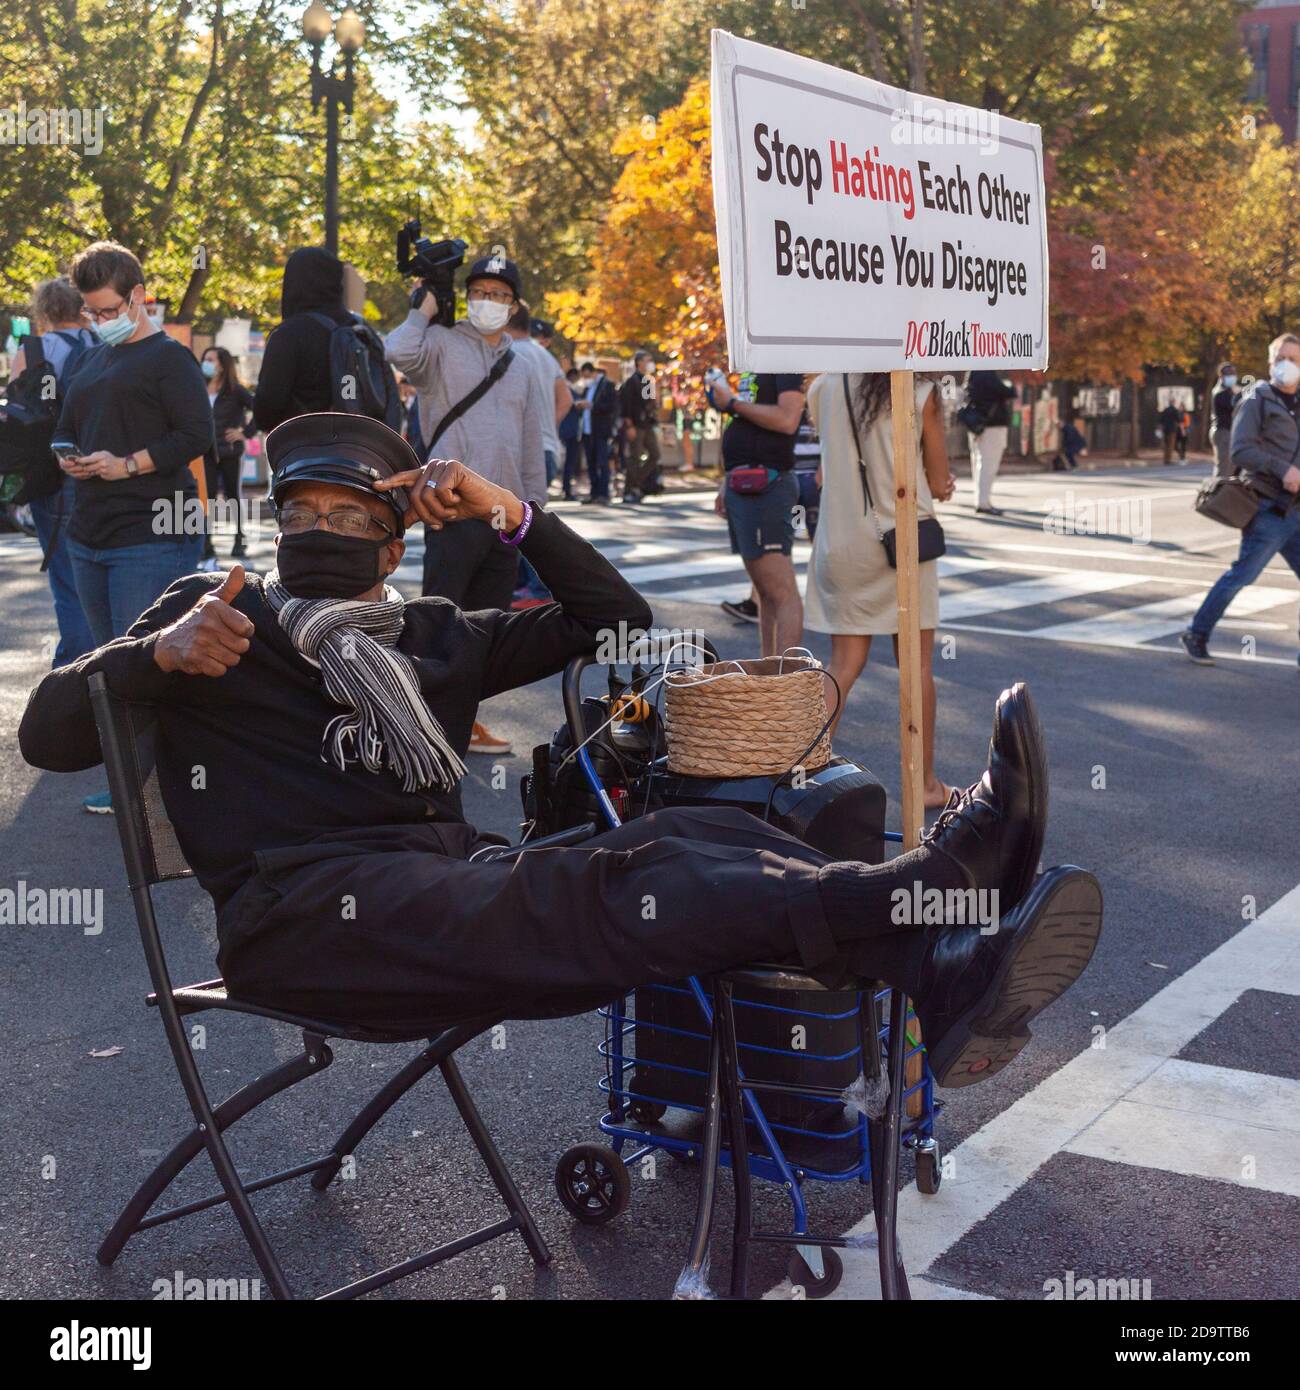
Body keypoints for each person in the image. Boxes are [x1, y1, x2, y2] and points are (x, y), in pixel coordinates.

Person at [18, 411, 1102, 1093]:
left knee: (699, 825)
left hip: (438, 886)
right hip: (305, 922)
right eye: (297, 506)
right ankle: (937, 887)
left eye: (347, 515)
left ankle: (935, 960)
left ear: (393, 544)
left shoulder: (436, 632)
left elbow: (613, 619)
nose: (315, 528)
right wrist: (149, 656)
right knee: (603, 890)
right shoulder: (216, 613)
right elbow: (48, 734)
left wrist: (511, 514)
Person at [57, 241, 212, 812]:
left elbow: (196, 434)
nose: (97, 322)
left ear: (139, 298)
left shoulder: (170, 359)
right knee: (112, 663)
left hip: (151, 534)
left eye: (107, 310)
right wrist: (65, 456)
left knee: (151, 664)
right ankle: (133, 781)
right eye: (90, 312)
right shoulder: (90, 359)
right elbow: (65, 425)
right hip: (89, 532)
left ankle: (162, 789)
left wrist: (127, 464)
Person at [385, 253, 547, 756]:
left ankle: (466, 722)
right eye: (480, 292)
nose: (489, 302)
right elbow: (395, 349)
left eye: (500, 295)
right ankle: (422, 722)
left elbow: (528, 445)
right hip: (450, 508)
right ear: (468, 296)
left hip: (502, 515)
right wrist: (424, 309)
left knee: (486, 626)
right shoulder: (440, 344)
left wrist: (535, 516)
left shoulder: (520, 365)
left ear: (514, 305)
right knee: (440, 620)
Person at [805, 371, 956, 810]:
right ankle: (924, 784)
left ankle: (801, 770)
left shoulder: (822, 387)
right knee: (917, 665)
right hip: (901, 542)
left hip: (842, 542)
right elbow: (939, 475)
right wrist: (943, 484)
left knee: (844, 663)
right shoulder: (918, 390)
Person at [1181, 334, 1300, 665]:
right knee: (1243, 575)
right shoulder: (1257, 398)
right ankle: (1197, 633)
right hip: (1268, 508)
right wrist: (1282, 470)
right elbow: (1240, 450)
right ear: (1270, 362)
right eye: (1281, 358)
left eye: (1294, 358)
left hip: (1297, 508)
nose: (1287, 365)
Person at [5, 276, 95, 666]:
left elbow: (18, 413)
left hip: (49, 474)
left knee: (65, 579)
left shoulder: (34, 349)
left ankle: (75, 668)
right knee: (95, 573)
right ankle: (104, 663)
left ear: (44, 309)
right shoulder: (104, 344)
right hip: (100, 470)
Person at [710, 370, 806, 657]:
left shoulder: (786, 360)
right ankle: (770, 672)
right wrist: (727, 480)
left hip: (768, 485)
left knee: (781, 591)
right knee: (765, 591)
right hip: (746, 482)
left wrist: (732, 403)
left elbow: (787, 419)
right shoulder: (758, 362)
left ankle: (785, 680)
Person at [253, 248, 355, 433]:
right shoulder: (358, 329)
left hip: (306, 449)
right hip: (361, 449)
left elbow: (266, 407)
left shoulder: (289, 335)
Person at [199, 347, 256, 563]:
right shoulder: (199, 388)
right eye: (205, 359)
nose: (206, 362)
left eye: (211, 359)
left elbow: (259, 409)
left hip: (230, 452)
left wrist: (244, 433)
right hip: (206, 452)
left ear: (222, 364)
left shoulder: (235, 390)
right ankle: (206, 544)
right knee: (207, 498)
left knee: (233, 495)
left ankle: (240, 539)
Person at [965, 370, 1016, 515]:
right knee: (988, 466)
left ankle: (981, 501)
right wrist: (1008, 385)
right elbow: (1009, 392)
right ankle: (983, 503)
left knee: (978, 464)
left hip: (976, 425)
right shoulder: (987, 372)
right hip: (992, 426)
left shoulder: (972, 372)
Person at [619, 350, 661, 504]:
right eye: (647, 360)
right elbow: (626, 405)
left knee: (655, 454)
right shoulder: (632, 381)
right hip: (636, 425)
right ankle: (629, 490)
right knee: (634, 457)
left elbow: (650, 403)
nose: (650, 362)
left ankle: (637, 484)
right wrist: (629, 425)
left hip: (647, 425)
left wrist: (656, 395)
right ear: (639, 362)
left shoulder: (648, 380)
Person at [576, 361, 618, 504]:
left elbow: (612, 406)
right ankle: (594, 493)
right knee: (591, 462)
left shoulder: (607, 385)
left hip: (600, 430)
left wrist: (593, 406)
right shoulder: (589, 387)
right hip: (587, 430)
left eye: (585, 374)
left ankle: (604, 494)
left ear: (591, 371)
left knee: (602, 462)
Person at [1210, 364, 1239, 481]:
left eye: (1234, 374)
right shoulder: (1221, 393)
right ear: (1221, 376)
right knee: (1224, 468)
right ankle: (1216, 495)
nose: (1232, 377)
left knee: (1231, 467)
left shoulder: (1228, 391)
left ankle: (1226, 494)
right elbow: (1236, 407)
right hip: (1223, 432)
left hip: (1227, 432)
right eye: (1229, 374)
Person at [558, 368, 584, 500]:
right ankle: (567, 489)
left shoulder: (567, 389)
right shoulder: (568, 390)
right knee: (569, 461)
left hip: (568, 430)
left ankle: (566, 488)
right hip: (569, 430)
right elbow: (572, 405)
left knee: (569, 461)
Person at [1159, 400, 1182, 466]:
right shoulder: (1175, 410)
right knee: (1170, 445)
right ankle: (1168, 459)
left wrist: (1161, 427)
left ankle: (1165, 459)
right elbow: (1178, 420)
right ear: (1173, 403)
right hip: (1172, 430)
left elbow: (1161, 420)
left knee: (1166, 445)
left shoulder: (1165, 410)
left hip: (1165, 429)